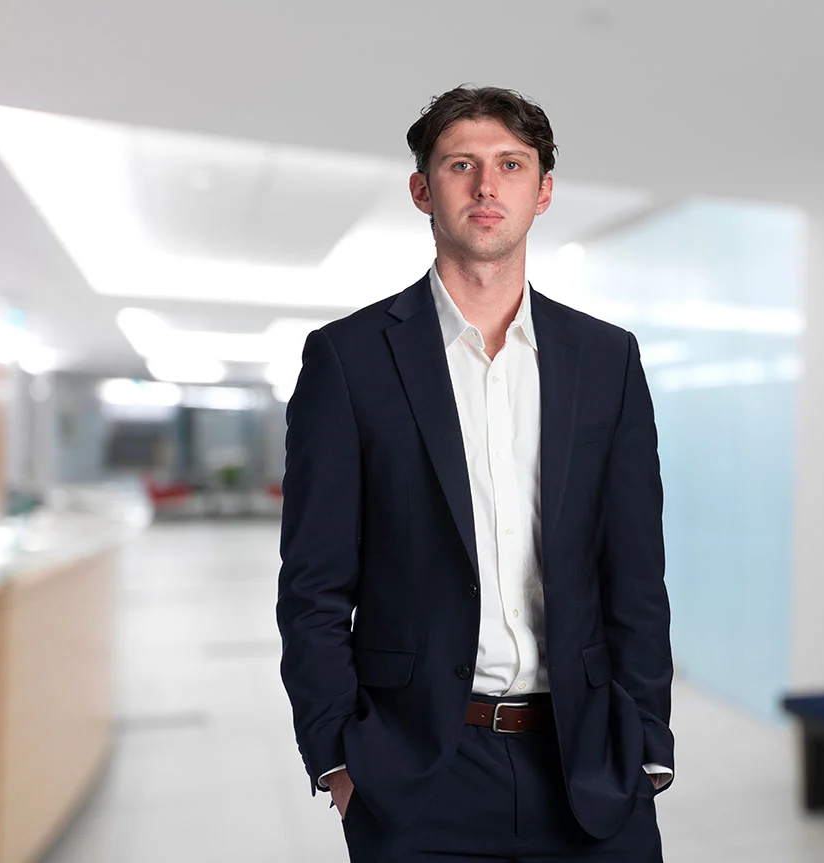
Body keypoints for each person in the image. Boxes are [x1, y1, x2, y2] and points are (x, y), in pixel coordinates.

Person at [277, 85, 674, 862]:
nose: (487, 187)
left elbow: (635, 570)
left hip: (587, 763)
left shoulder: (607, 359)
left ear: (543, 191)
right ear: (424, 188)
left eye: (511, 165)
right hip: (417, 773)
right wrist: (337, 755)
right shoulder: (349, 360)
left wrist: (648, 743)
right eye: (461, 165)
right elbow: (314, 584)